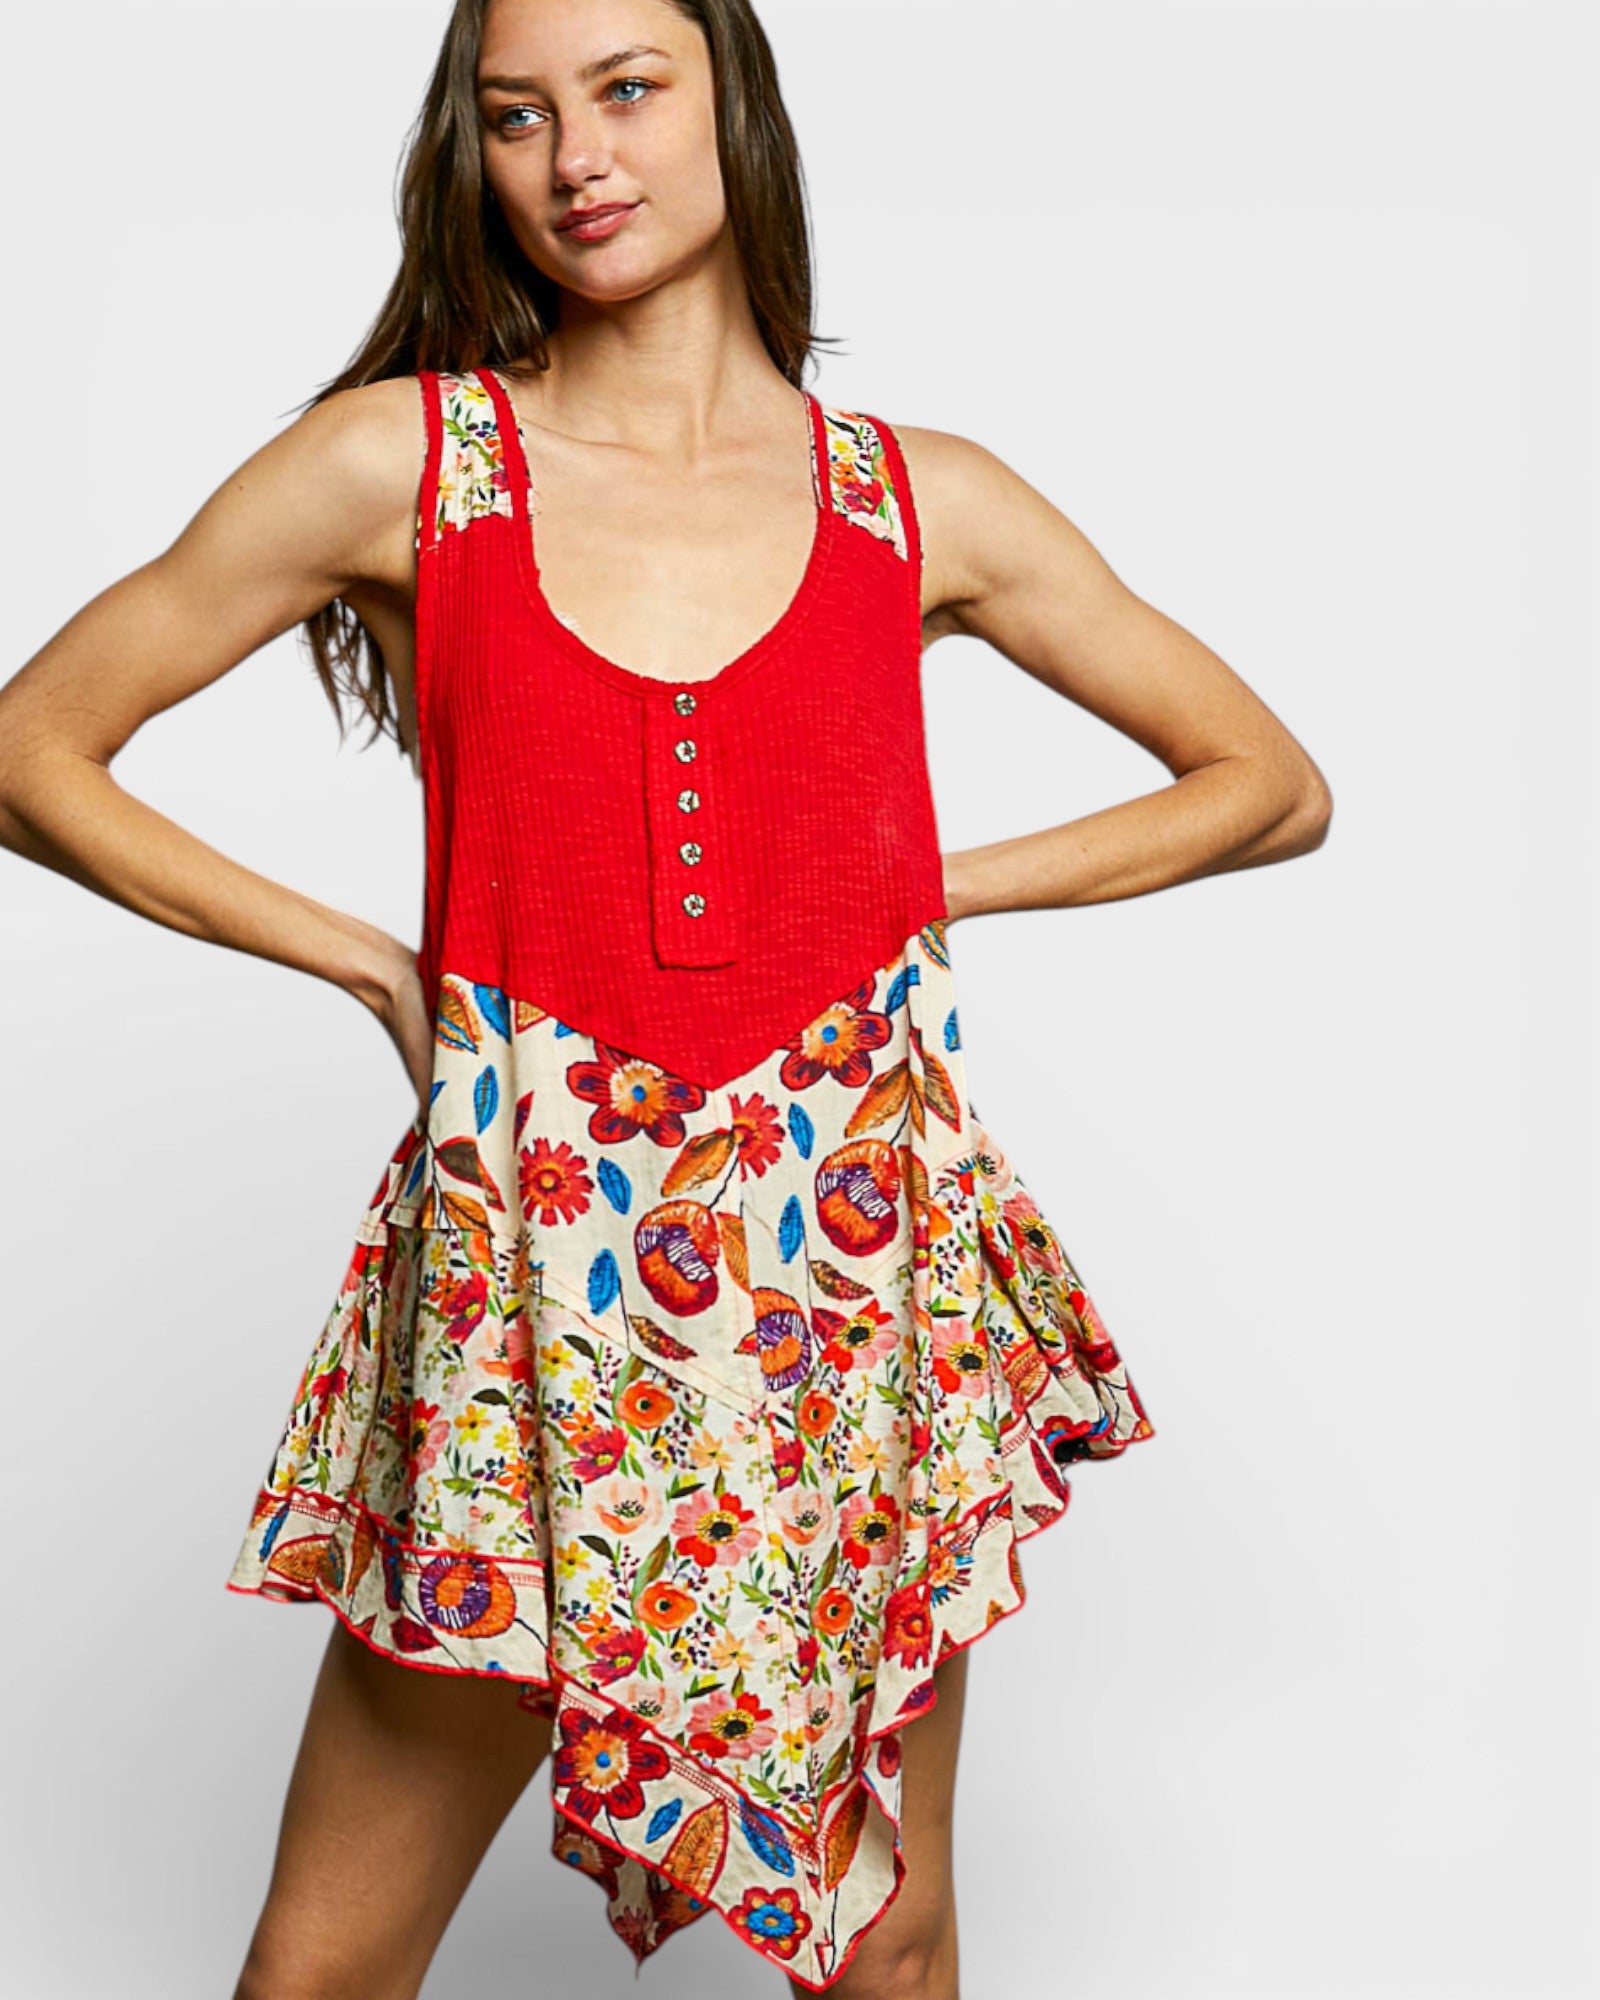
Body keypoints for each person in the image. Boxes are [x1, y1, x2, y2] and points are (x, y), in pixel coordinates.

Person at [0, 0, 1332, 1993]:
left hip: (846, 1297)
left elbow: (1268, 784)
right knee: (326, 1963)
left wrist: (911, 890)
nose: (577, 157)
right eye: (517, 114)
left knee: (888, 1941)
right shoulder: (403, 463)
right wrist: (370, 959)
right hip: (526, 1302)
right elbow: (31, 747)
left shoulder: (917, 498)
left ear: (734, 108)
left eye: (627, 89)